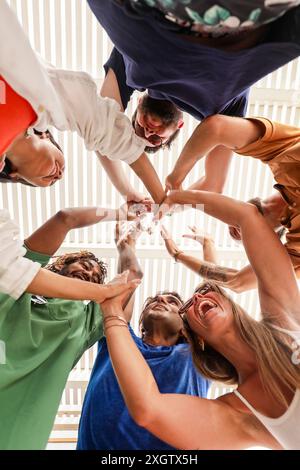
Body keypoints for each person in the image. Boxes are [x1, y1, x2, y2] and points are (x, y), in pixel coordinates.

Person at [99, 189, 300, 450]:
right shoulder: (239, 412)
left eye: (203, 293)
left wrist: (177, 197)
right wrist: (112, 311)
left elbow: (247, 216)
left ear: (230, 303)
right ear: (196, 339)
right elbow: (148, 408)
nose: (195, 300)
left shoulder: (286, 323)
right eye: (188, 308)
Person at [0, 206, 141, 450]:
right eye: (85, 266)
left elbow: (132, 279)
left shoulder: (82, 324)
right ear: (57, 267)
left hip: (18, 425)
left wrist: (125, 244)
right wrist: (118, 213)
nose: (89, 273)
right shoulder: (18, 275)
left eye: (96, 277)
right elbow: (65, 218)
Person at [77, 225, 210, 450]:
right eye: (155, 300)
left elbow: (211, 292)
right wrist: (125, 248)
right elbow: (125, 289)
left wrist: (208, 246)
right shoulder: (119, 340)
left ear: (185, 328)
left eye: (172, 302)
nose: (161, 299)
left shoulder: (195, 354)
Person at [165, 116, 300, 287]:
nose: (235, 229)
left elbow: (216, 127)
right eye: (246, 238)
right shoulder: (297, 248)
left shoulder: (280, 158)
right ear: (267, 243)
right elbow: (238, 280)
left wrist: (176, 181)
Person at [161, 221, 291, 293]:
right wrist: (208, 244)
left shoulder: (286, 261)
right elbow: (215, 282)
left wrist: (177, 254)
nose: (234, 227)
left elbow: (235, 281)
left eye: (242, 230)